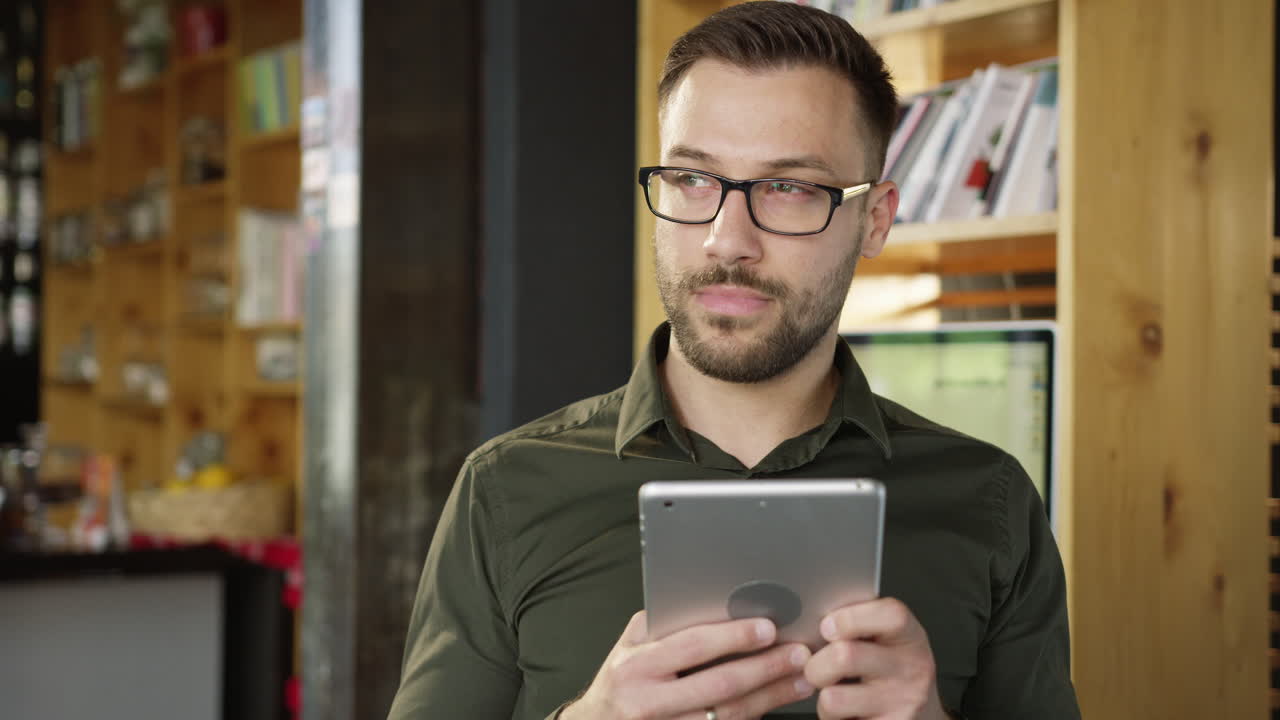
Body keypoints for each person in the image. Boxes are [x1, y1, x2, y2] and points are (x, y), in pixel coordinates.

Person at [387, 3, 1080, 719]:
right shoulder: (505, 492)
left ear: (874, 219)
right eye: (692, 180)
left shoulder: (990, 506)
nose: (727, 239)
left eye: (788, 187)